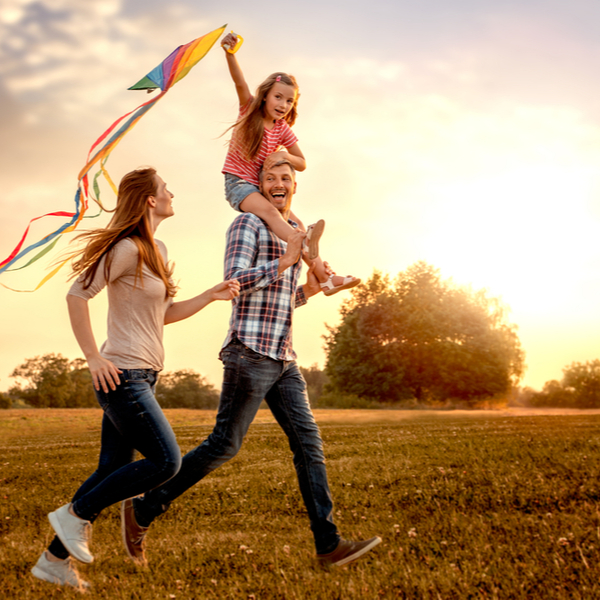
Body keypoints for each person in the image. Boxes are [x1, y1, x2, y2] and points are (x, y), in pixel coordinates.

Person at [122, 159, 381, 567]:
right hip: (249, 352)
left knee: (309, 445)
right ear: (258, 188)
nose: (279, 184)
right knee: (224, 445)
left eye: (286, 179)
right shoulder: (247, 226)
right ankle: (144, 508)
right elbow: (236, 283)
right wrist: (284, 261)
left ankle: (328, 546)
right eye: (270, 179)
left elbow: (280, 301)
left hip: (284, 356)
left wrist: (308, 291)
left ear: (294, 187)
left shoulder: (290, 233)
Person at [31, 167, 240, 591]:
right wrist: (93, 357)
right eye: (165, 188)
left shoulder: (155, 248)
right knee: (167, 461)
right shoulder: (126, 247)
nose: (171, 193)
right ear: (149, 199)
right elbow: (78, 293)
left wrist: (209, 295)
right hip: (121, 374)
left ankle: (53, 561)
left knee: (112, 466)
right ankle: (75, 514)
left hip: (143, 374)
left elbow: (162, 315)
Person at [220, 31, 360, 297]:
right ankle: (302, 241)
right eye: (278, 97)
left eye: (289, 101)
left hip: (259, 187)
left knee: (295, 223)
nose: (283, 104)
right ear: (265, 96)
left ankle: (326, 279)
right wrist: (230, 54)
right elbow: (239, 83)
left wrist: (284, 156)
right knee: (275, 217)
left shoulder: (282, 129)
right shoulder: (249, 110)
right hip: (238, 185)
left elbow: (302, 162)